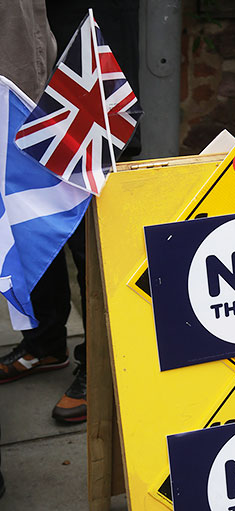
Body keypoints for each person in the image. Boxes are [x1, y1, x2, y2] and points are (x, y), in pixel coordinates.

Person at [0, 0, 140, 424]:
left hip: (88, 64)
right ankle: (45, 342)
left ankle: (102, 364)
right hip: (27, 69)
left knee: (92, 230)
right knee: (29, 213)